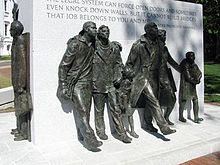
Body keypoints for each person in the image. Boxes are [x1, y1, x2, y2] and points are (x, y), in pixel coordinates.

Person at [58, 21, 102, 152]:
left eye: (96, 28)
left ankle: (82, 137)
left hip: (88, 83)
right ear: (86, 30)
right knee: (83, 111)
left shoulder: (94, 43)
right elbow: (63, 65)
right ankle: (91, 139)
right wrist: (63, 85)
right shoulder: (75, 44)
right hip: (75, 82)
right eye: (93, 28)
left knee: (85, 113)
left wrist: (115, 46)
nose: (96, 30)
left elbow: (106, 44)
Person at [125, 22, 176, 135]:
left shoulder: (160, 45)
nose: (156, 29)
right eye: (154, 28)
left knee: (151, 102)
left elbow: (162, 64)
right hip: (142, 77)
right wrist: (133, 76)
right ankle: (164, 127)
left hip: (154, 77)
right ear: (147, 30)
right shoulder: (138, 44)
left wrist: (163, 79)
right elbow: (129, 64)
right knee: (154, 101)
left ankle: (148, 124)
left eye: (157, 27)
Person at [92, 25, 131, 143]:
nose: (106, 33)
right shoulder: (93, 46)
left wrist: (119, 76)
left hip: (111, 84)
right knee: (99, 111)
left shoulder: (114, 47)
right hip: (97, 84)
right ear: (98, 33)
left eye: (108, 31)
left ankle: (122, 133)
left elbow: (119, 64)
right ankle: (100, 131)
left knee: (116, 109)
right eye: (103, 31)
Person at [10, 3, 32, 141]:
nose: (10, 31)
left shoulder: (20, 42)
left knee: (22, 107)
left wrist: (21, 84)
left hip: (20, 82)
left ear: (16, 31)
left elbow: (23, 64)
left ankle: (24, 132)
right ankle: (18, 128)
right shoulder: (15, 40)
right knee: (18, 106)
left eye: (11, 29)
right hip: (15, 80)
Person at [158, 29, 180, 125]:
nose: (164, 37)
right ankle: (154, 121)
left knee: (173, 99)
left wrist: (181, 69)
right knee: (155, 101)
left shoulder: (165, 49)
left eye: (165, 35)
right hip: (157, 77)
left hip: (166, 76)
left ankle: (166, 117)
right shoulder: (154, 48)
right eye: (162, 35)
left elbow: (171, 61)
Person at [179, 51, 203, 123]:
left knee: (195, 100)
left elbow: (199, 73)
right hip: (186, 85)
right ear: (187, 57)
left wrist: (198, 79)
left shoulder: (194, 65)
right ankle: (180, 116)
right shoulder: (185, 64)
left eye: (193, 56)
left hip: (192, 85)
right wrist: (196, 81)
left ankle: (196, 117)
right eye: (191, 56)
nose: (193, 57)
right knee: (184, 100)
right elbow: (187, 76)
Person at [117, 68, 139, 138]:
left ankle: (132, 131)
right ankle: (123, 131)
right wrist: (121, 104)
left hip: (128, 101)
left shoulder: (130, 81)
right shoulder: (125, 82)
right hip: (124, 101)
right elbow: (121, 93)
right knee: (122, 116)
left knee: (130, 115)